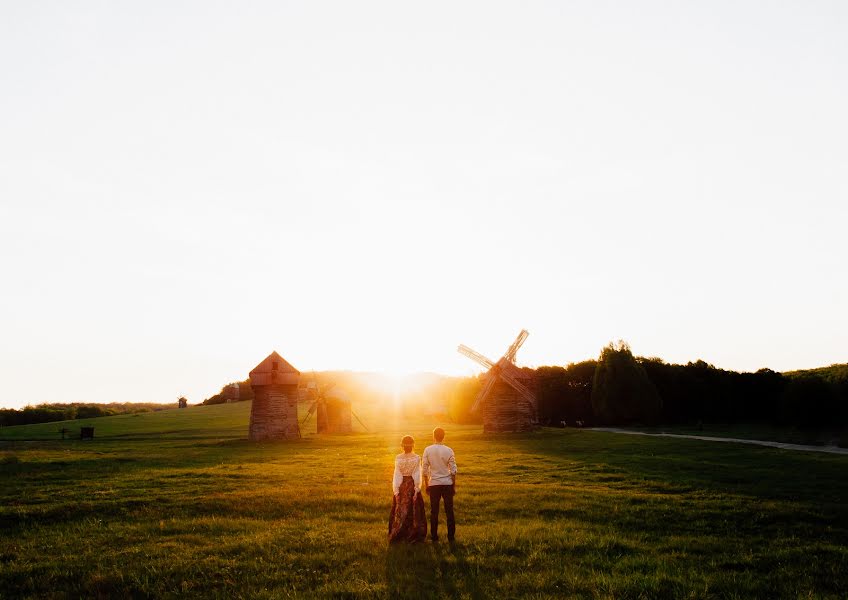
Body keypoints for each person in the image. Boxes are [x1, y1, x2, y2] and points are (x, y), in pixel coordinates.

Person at [388, 435, 427, 543]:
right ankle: (413, 533)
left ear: (402, 446)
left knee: (400, 509)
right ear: (413, 445)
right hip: (412, 485)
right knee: (413, 509)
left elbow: (397, 474)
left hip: (401, 485)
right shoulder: (416, 458)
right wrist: (416, 489)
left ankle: (400, 532)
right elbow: (417, 474)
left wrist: (396, 491)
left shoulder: (398, 458)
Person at [422, 427, 457, 542]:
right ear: (444, 436)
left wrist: (426, 485)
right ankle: (451, 537)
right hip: (447, 483)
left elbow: (425, 470)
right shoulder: (449, 450)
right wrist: (453, 485)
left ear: (433, 436)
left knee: (434, 511)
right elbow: (453, 471)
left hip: (434, 484)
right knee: (449, 511)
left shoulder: (428, 450)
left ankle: (434, 537)